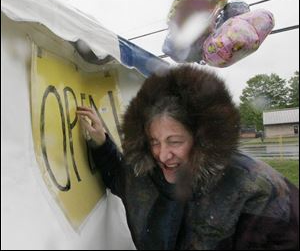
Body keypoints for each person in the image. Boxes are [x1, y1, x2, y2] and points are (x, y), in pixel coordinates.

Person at [77, 65, 299, 250]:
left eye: (175, 141)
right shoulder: (145, 175)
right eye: (154, 141)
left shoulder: (256, 189)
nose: (162, 155)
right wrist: (101, 142)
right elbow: (118, 176)